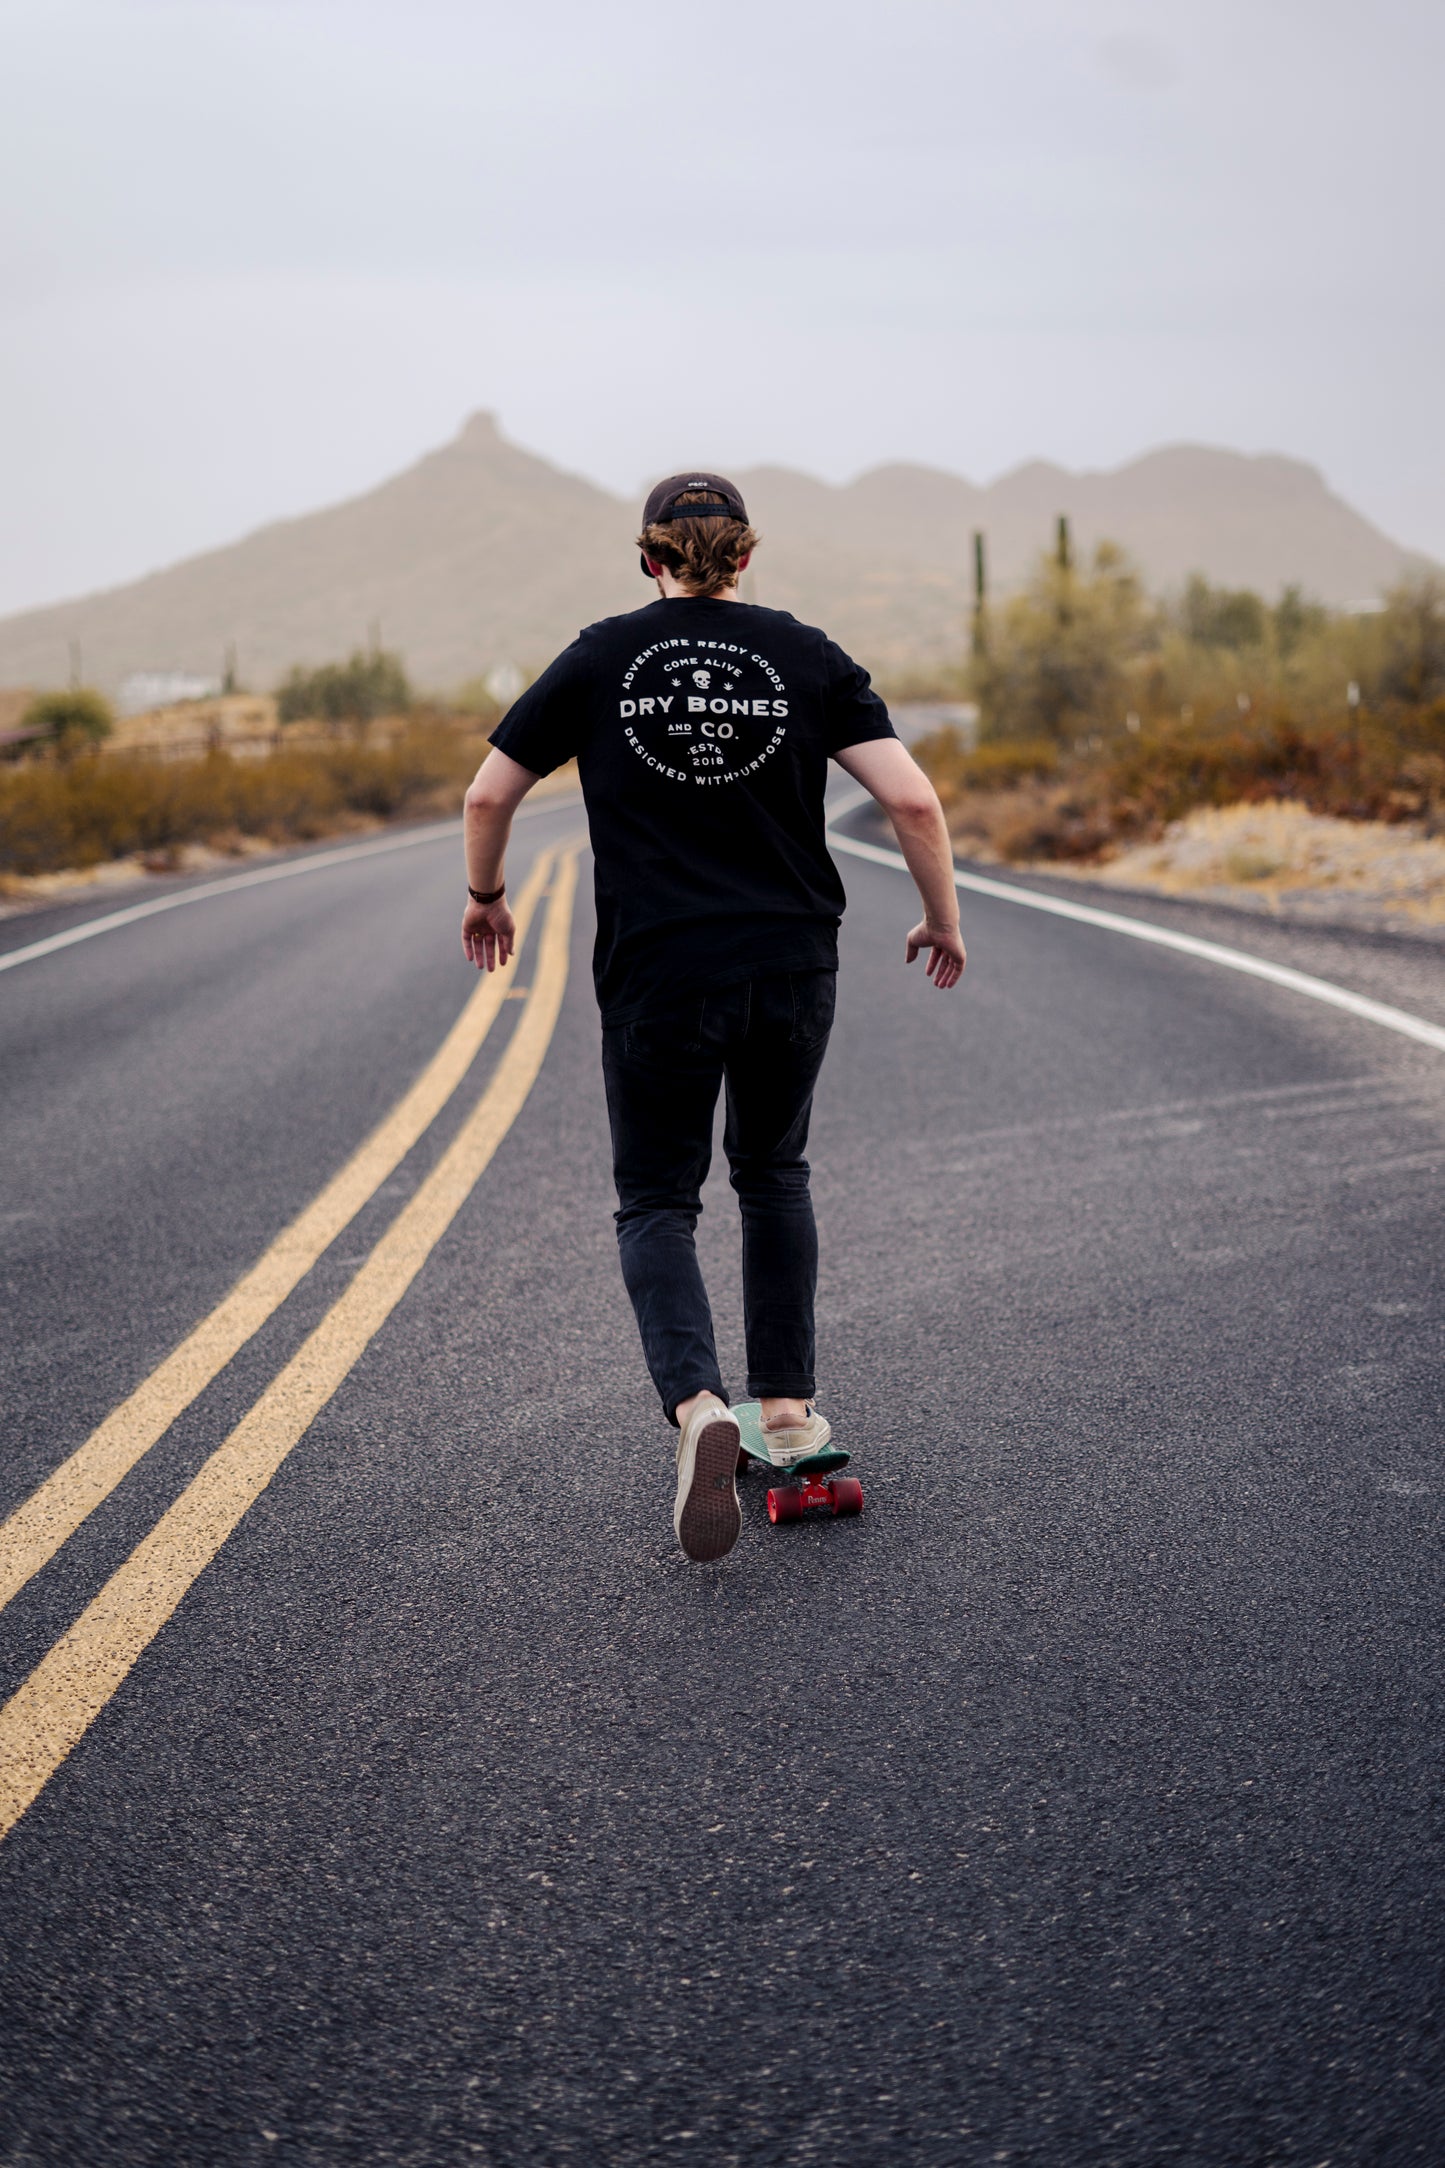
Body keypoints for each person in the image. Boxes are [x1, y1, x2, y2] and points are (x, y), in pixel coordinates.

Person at [459, 474, 965, 1561]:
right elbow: (913, 799)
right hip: (788, 961)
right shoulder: (804, 652)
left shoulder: (601, 655)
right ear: (745, 556)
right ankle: (787, 1413)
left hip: (657, 970)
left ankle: (699, 1411)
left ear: (649, 558)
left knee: (656, 1197)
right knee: (772, 1173)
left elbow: (486, 795)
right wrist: (938, 918)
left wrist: (488, 896)